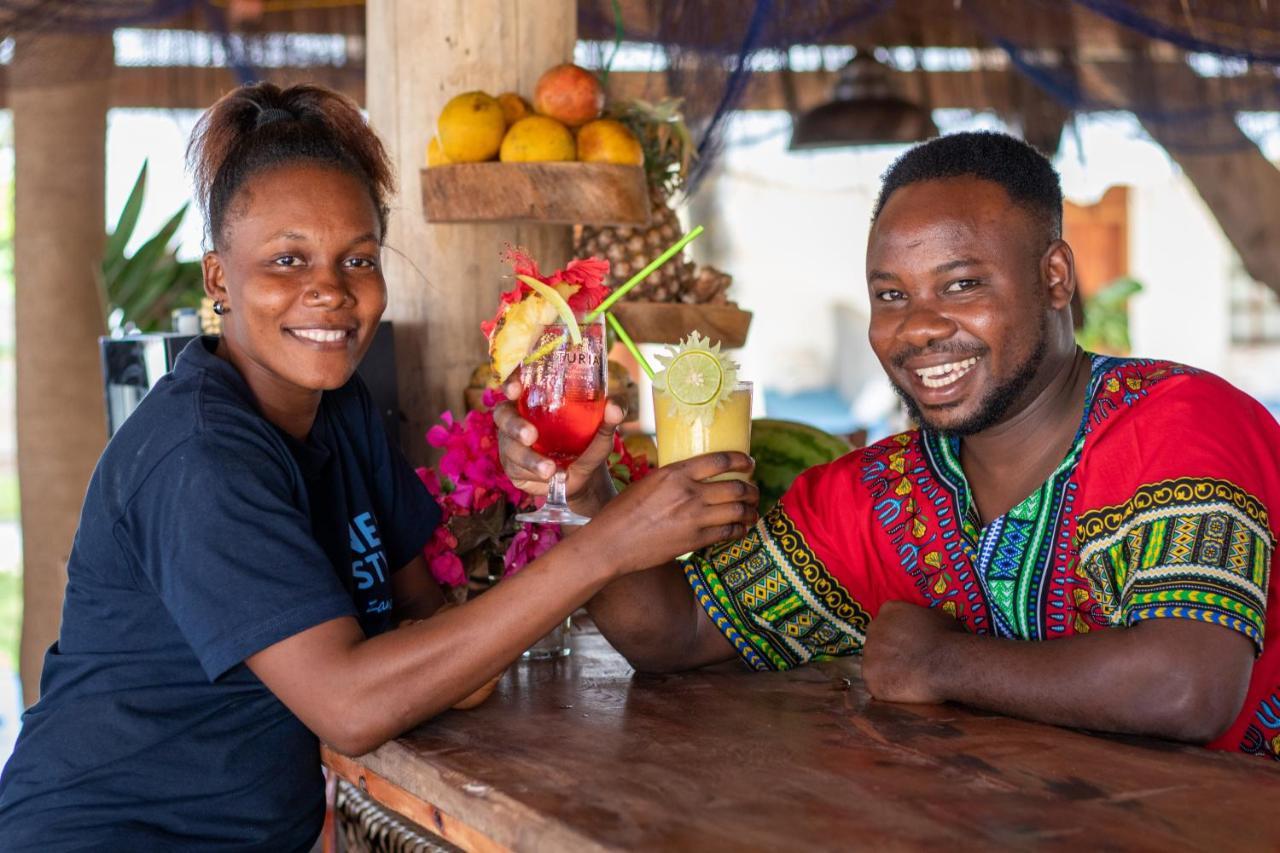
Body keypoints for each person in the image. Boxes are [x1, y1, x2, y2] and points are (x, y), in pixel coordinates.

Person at [0, 82, 758, 851]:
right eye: (287, 259)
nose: (328, 289)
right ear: (219, 280)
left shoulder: (340, 410)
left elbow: (426, 623)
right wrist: (605, 546)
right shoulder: (199, 455)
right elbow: (351, 705)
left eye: (357, 258)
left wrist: (575, 492)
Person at [497, 131, 1280, 760]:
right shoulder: (881, 494)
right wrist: (582, 491)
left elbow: (1187, 685)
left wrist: (937, 662)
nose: (918, 326)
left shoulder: (1177, 424)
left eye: (962, 284)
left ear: (1054, 277)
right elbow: (677, 632)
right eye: (891, 295)